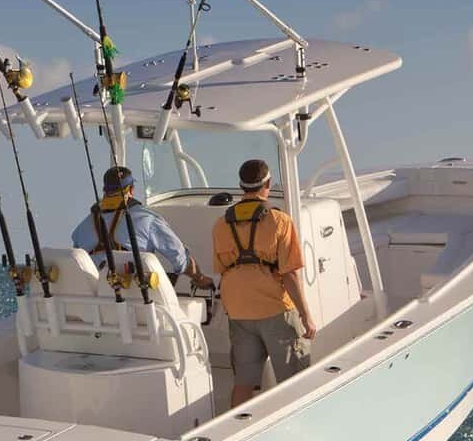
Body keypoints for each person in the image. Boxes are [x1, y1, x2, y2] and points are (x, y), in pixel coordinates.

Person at [212, 159, 317, 407]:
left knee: (244, 381)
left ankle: (238, 426)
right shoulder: (280, 221)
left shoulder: (221, 224)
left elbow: (221, 269)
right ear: (267, 184)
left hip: (238, 310)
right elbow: (290, 274)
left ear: (241, 186)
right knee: (294, 380)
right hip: (274, 309)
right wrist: (306, 316)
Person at [72, 166, 213, 289]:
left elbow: (79, 265)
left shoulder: (80, 229)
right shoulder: (148, 219)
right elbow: (180, 258)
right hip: (141, 301)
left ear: (105, 191)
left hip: (97, 303)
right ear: (131, 189)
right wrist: (199, 278)